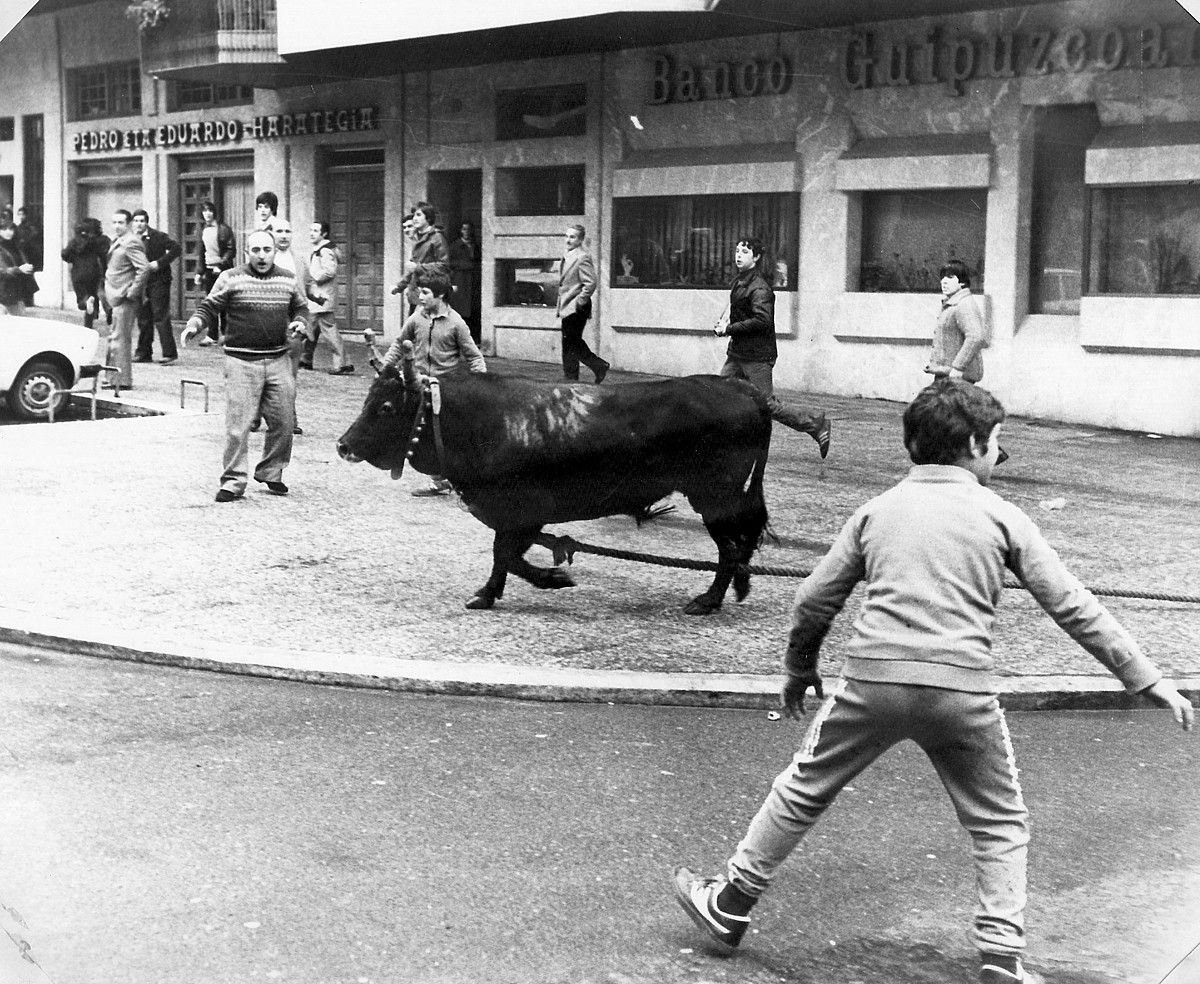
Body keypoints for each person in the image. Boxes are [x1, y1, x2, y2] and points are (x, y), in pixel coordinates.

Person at [672, 379, 1194, 984]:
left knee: (803, 789)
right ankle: (1001, 957)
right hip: (962, 691)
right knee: (999, 820)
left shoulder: (876, 511)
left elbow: (814, 598)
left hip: (871, 683)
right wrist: (1145, 678)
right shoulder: (1003, 517)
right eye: (996, 443)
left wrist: (799, 667)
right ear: (974, 446)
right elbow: (1073, 605)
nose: (998, 455)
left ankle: (730, 904)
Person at [180, 229, 309, 503]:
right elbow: (209, 306)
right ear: (246, 253)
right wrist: (194, 325)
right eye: (256, 250)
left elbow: (301, 307)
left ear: (275, 252)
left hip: (278, 359)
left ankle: (271, 471)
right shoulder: (230, 277)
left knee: (284, 421)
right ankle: (233, 481)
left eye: (267, 250)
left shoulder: (288, 279)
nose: (261, 255)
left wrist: (300, 321)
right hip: (241, 361)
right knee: (238, 426)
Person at [713, 235, 830, 458]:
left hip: (757, 357)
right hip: (738, 353)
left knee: (767, 404)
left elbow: (762, 321)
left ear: (756, 257)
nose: (739, 255)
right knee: (722, 393)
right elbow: (735, 307)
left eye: (745, 252)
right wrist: (725, 322)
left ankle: (816, 424)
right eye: (737, 250)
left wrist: (729, 329)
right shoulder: (741, 281)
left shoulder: (760, 288)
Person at [380, 269, 487, 497]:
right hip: (418, 385)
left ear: (439, 296)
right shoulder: (416, 318)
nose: (420, 296)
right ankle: (439, 481)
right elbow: (399, 344)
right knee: (419, 434)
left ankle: (458, 478)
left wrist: (482, 383)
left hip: (445, 389)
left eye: (425, 292)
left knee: (450, 437)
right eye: (419, 290)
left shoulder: (456, 323)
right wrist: (386, 370)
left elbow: (474, 357)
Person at [924, 258, 1007, 464]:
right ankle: (985, 451)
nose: (944, 281)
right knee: (953, 416)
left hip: (955, 374)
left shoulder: (963, 305)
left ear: (962, 282)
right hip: (946, 372)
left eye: (950, 277)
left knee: (944, 415)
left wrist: (957, 367)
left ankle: (986, 451)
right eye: (942, 276)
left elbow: (977, 336)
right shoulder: (952, 304)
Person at [251, 218, 305, 436]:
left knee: (289, 376)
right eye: (279, 231)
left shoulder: (299, 260)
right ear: (271, 234)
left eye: (288, 231)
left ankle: (290, 418)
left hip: (290, 326)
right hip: (264, 324)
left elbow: (304, 289)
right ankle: (253, 416)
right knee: (259, 372)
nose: (284, 235)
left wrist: (304, 317)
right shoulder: (260, 262)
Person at [103, 209, 151, 389]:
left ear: (128, 223)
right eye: (114, 222)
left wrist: (132, 291)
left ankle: (121, 380)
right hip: (115, 295)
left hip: (124, 296)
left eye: (120, 223)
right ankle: (112, 377)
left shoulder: (131, 242)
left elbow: (144, 268)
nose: (116, 226)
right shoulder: (118, 240)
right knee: (114, 337)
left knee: (120, 338)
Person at [556, 224, 609, 384]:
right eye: (567, 236)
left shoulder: (582, 257)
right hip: (567, 305)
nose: (568, 240)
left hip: (577, 307)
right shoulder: (567, 254)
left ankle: (598, 365)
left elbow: (591, 282)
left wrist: (580, 300)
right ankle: (571, 376)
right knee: (569, 342)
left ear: (580, 240)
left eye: (573, 237)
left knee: (572, 341)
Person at [299, 220, 352, 375]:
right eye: (311, 230)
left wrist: (312, 277)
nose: (311, 233)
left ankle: (342, 363)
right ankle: (305, 359)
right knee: (311, 328)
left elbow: (329, 271)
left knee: (327, 329)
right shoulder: (320, 249)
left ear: (324, 234)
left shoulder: (325, 250)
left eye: (315, 231)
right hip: (317, 298)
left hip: (322, 297)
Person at [131, 209, 182, 365]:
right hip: (141, 282)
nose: (139, 224)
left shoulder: (158, 236)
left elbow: (176, 249)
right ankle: (144, 352)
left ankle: (169, 353)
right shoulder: (132, 239)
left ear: (147, 222)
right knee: (143, 318)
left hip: (159, 280)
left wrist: (159, 263)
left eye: (142, 221)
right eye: (136, 221)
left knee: (160, 315)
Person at [193, 200, 236, 346]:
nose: (207, 214)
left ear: (215, 213)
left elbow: (231, 250)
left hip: (222, 270)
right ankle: (212, 335)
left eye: (210, 211)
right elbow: (201, 252)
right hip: (209, 270)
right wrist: (199, 272)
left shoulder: (224, 229)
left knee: (223, 304)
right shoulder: (203, 230)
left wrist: (221, 265)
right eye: (204, 211)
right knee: (211, 302)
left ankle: (225, 335)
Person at [392, 201, 449, 307]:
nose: (414, 218)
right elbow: (412, 270)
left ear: (428, 218)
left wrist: (418, 268)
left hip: (430, 297)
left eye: (418, 215)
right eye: (413, 215)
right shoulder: (419, 239)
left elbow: (444, 266)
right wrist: (399, 286)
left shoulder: (437, 238)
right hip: (416, 297)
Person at [61, 218, 110, 330]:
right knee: (92, 296)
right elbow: (103, 256)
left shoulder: (75, 241)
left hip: (78, 273)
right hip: (94, 272)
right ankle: (88, 325)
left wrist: (72, 258)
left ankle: (85, 303)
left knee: (83, 299)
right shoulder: (97, 241)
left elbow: (65, 254)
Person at [449, 220, 482, 343]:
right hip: (461, 280)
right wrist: (465, 265)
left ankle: (473, 337)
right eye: (464, 229)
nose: (466, 232)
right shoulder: (455, 246)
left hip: (473, 282)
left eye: (468, 229)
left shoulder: (476, 245)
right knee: (461, 309)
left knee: (473, 309)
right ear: (460, 231)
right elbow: (450, 263)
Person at [0, 220, 34, 316]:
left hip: (16, 293)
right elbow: (2, 271)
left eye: (11, 229)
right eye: (4, 229)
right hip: (3, 294)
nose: (8, 232)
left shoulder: (16, 246)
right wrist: (19, 270)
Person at [14, 205, 42, 307]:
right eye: (19, 214)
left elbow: (33, 238)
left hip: (30, 255)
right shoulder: (18, 227)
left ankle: (29, 300)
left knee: (29, 277)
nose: (21, 217)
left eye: (23, 214)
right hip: (22, 255)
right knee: (24, 277)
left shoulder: (31, 227)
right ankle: (26, 299)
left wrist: (24, 242)